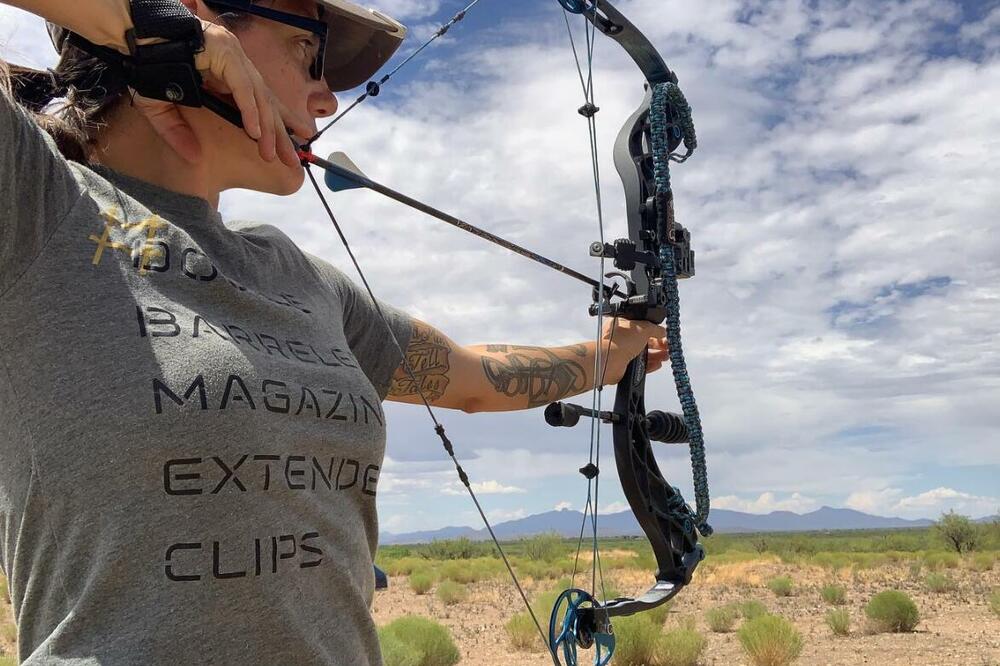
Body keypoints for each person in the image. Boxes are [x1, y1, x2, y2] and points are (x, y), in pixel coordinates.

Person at [0, 0, 668, 663]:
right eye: (309, 56)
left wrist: (612, 353)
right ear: (205, 18)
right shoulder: (38, 203)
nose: (324, 101)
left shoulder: (305, 280)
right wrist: (158, 28)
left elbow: (470, 378)